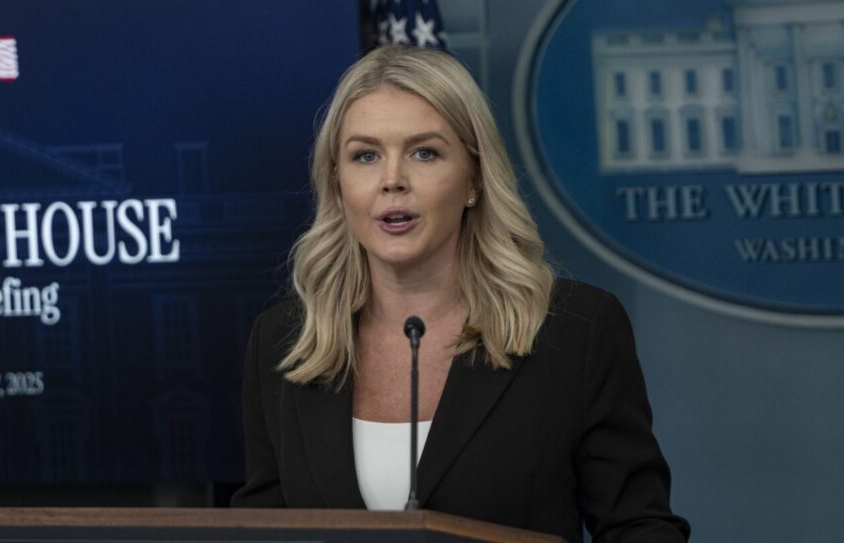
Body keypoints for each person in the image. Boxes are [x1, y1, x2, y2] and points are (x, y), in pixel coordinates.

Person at [230, 45, 690, 543]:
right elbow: (260, 532)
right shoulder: (281, 345)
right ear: (337, 184)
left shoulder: (576, 330)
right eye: (366, 156)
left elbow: (638, 528)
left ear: (474, 179)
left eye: (424, 153)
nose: (392, 181)